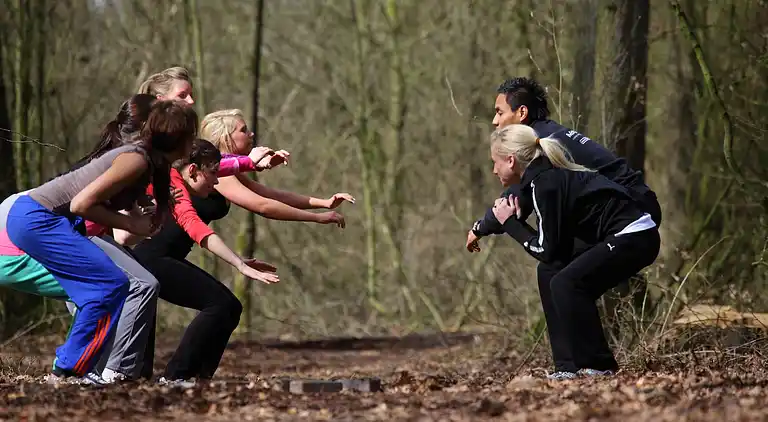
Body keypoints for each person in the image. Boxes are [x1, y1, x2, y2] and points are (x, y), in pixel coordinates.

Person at [466, 77, 662, 379]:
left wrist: (484, 226)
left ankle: (597, 366)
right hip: (619, 219)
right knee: (552, 271)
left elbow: (516, 201)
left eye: (498, 111)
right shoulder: (542, 146)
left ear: (521, 114)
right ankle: (568, 368)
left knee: (567, 281)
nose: (494, 120)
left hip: (632, 217)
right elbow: (526, 199)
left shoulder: (538, 153)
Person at [4, 100, 198, 384]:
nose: (194, 142)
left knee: (103, 288)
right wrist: (131, 224)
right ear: (179, 138)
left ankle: (73, 370)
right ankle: (70, 371)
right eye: (192, 136)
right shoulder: (137, 159)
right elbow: (81, 204)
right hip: (37, 220)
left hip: (41, 220)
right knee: (110, 284)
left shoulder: (149, 161)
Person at [124, 138, 282, 383]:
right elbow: (199, 231)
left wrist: (239, 259)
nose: (217, 181)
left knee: (229, 307)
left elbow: (233, 168)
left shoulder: (186, 181)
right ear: (194, 170)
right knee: (221, 304)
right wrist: (238, 265)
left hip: (162, 258)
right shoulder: (174, 186)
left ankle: (195, 378)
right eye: (213, 174)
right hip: (151, 259)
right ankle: (177, 377)